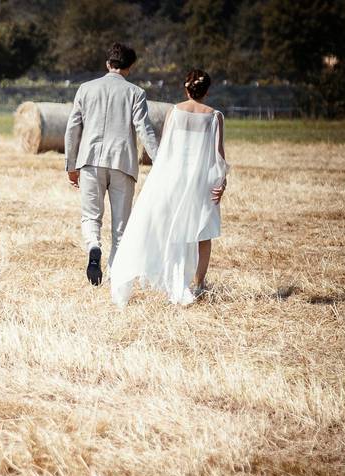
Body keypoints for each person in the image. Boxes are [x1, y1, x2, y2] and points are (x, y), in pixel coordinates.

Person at [109, 69, 229, 306]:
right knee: (202, 233)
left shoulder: (175, 112)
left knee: (173, 226)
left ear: (186, 89)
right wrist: (221, 182)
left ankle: (174, 276)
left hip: (176, 178)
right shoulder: (215, 116)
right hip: (202, 182)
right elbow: (219, 155)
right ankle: (199, 283)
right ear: (207, 90)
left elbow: (165, 150)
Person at [64, 42, 160, 286]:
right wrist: (159, 162)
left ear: (108, 63)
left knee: (90, 216)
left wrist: (71, 165)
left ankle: (94, 246)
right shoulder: (136, 93)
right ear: (130, 67)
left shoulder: (85, 89)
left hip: (89, 160)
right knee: (120, 227)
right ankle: (114, 278)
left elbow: (73, 128)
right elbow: (144, 130)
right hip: (122, 163)